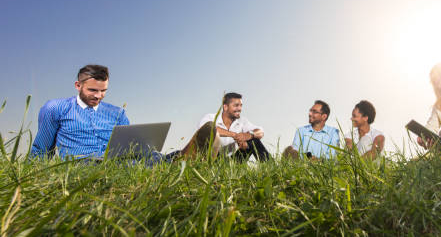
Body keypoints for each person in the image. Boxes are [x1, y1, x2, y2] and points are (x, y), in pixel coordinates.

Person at [31, 64, 217, 160]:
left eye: (103, 91)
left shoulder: (117, 113)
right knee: (136, 164)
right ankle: (182, 162)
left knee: (148, 156)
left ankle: (185, 157)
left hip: (116, 159)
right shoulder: (55, 108)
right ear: (78, 85)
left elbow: (131, 144)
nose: (99, 96)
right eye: (92, 90)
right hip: (81, 161)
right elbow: (41, 149)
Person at [198, 92, 269, 162]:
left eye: (241, 105)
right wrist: (235, 135)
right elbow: (208, 129)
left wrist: (249, 135)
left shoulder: (242, 121)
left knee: (254, 141)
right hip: (211, 159)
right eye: (236, 105)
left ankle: (271, 168)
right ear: (225, 107)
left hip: (231, 161)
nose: (239, 109)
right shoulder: (210, 117)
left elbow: (260, 131)